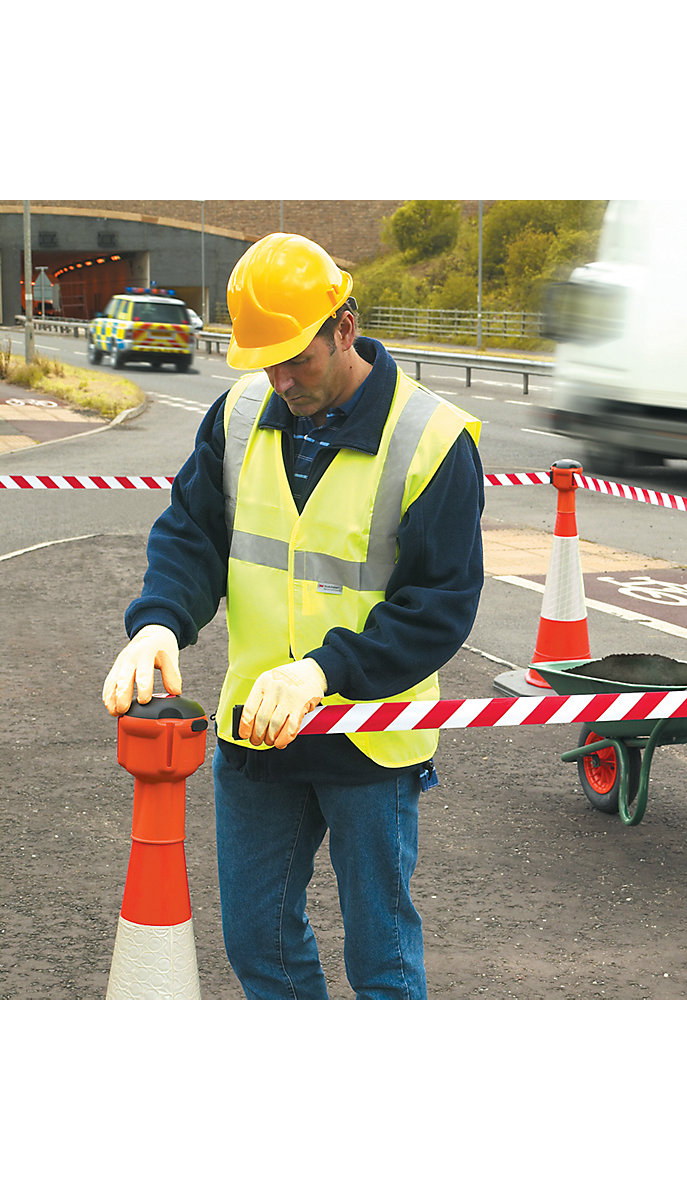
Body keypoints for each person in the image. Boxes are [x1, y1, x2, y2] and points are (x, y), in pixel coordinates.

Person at [102, 233, 485, 997]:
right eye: (265, 361)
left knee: (382, 963)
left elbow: (439, 605)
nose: (280, 379)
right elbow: (193, 532)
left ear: (343, 328)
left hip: (369, 739)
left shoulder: (431, 440)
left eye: (295, 358)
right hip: (258, 731)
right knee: (259, 946)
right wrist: (159, 620)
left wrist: (323, 671)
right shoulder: (243, 412)